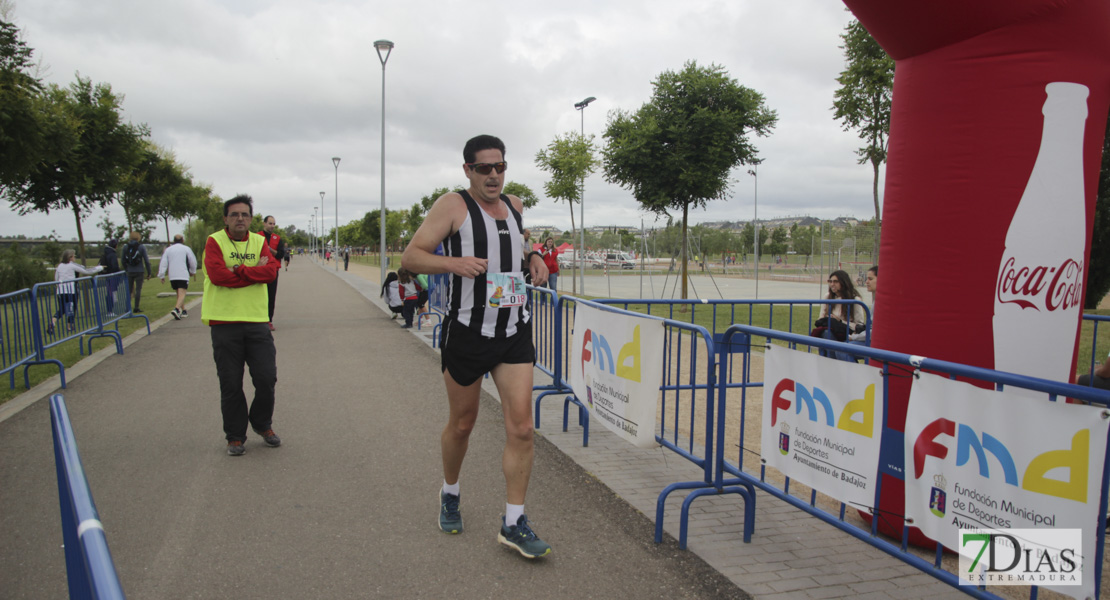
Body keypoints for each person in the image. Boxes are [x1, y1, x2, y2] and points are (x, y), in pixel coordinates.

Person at [401, 134, 551, 559]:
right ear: (467, 170)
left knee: (522, 427)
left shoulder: (516, 205)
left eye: (499, 167)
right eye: (484, 168)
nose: (493, 175)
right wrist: (453, 264)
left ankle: (513, 522)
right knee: (462, 425)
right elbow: (412, 256)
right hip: (467, 331)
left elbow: (521, 241)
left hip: (513, 331)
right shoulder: (453, 206)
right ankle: (450, 491)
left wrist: (536, 255)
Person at [202, 195, 282, 457]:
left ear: (250, 218)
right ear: (226, 218)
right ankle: (235, 436)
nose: (239, 219)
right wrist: (250, 273)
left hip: (257, 321)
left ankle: (262, 424)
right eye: (234, 214)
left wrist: (237, 269)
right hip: (224, 322)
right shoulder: (215, 241)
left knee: (266, 377)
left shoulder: (260, 241)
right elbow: (217, 275)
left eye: (244, 215)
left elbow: (270, 273)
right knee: (230, 383)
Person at [814, 269, 867, 362]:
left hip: (846, 333)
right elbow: (821, 318)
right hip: (830, 332)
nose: (832, 284)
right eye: (830, 281)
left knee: (832, 341)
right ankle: (831, 363)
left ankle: (835, 364)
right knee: (826, 333)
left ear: (843, 282)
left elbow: (859, 325)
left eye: (835, 281)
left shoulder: (854, 299)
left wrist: (840, 321)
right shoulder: (828, 297)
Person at [46, 249, 103, 335]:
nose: (75, 257)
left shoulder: (60, 266)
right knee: (71, 308)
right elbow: (87, 271)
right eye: (74, 256)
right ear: (70, 257)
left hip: (60, 291)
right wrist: (99, 268)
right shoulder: (72, 265)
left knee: (62, 309)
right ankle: (69, 326)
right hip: (70, 291)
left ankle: (53, 322)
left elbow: (56, 278)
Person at [158, 234, 198, 320]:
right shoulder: (186, 249)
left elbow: (163, 262)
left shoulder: (168, 250)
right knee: (182, 293)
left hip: (172, 275)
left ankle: (183, 310)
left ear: (174, 241)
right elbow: (192, 260)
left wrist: (162, 275)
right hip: (182, 273)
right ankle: (176, 309)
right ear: (183, 240)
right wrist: (193, 271)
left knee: (178, 293)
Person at [258, 215, 287, 331]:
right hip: (260, 270)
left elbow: (280, 254)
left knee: (271, 295)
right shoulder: (256, 236)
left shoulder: (277, 238)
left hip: (273, 270)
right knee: (259, 295)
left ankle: (269, 320)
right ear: (264, 223)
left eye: (273, 224)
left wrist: (269, 249)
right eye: (270, 223)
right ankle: (259, 319)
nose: (272, 226)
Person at [121, 232, 152, 313]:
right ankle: (136, 307)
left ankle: (127, 308)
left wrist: (126, 268)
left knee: (129, 290)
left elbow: (122, 260)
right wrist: (149, 272)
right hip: (139, 271)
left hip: (130, 271)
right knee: (138, 289)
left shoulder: (125, 247)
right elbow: (146, 260)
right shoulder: (141, 247)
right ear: (138, 238)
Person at [98, 238, 121, 314]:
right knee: (111, 293)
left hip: (108, 276)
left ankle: (110, 310)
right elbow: (114, 267)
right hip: (113, 277)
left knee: (110, 293)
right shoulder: (112, 255)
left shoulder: (106, 253)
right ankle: (110, 311)